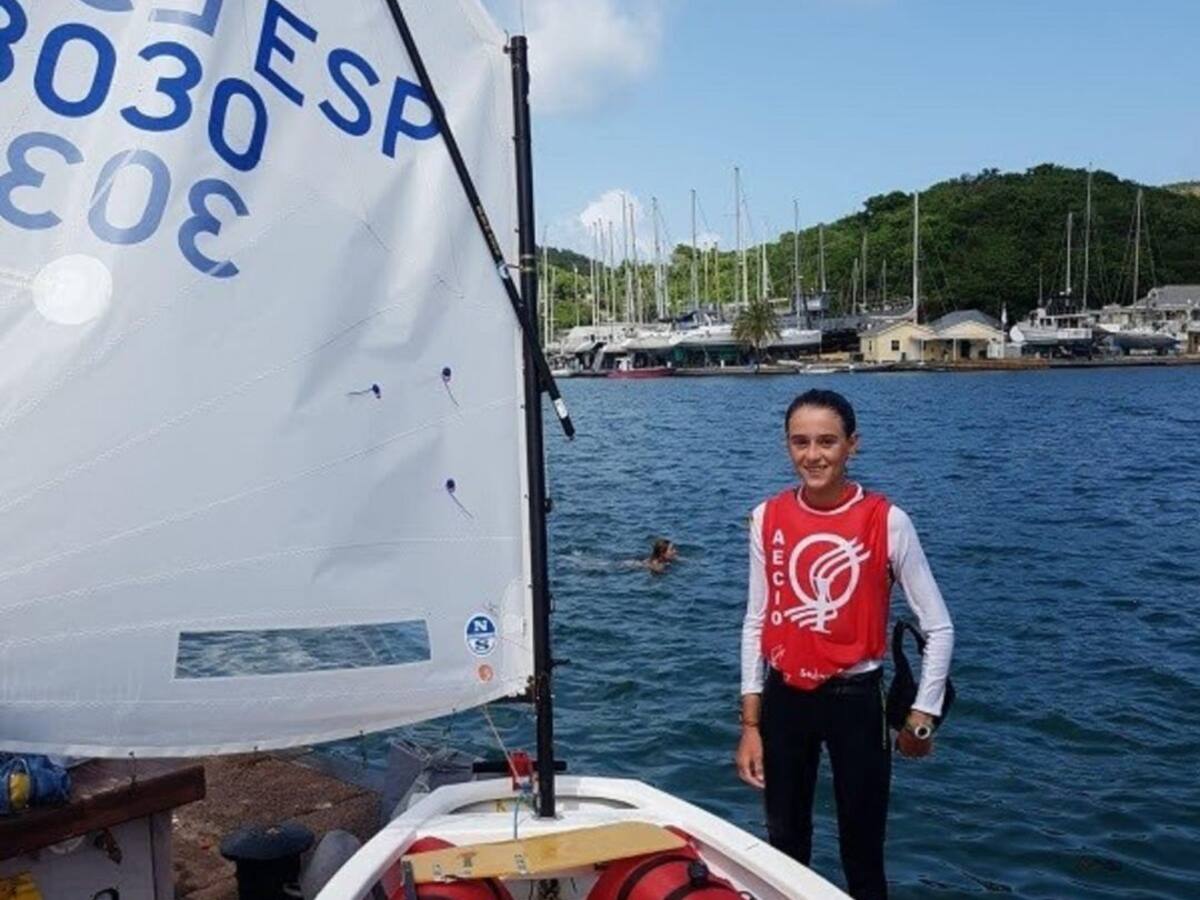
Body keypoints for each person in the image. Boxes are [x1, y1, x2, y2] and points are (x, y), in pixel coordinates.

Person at [735, 389, 954, 900]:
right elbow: (756, 619)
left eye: (827, 441)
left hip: (858, 701)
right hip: (785, 699)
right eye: (801, 441)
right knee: (784, 845)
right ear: (787, 446)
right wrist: (750, 724)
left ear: (852, 445)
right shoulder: (766, 518)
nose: (813, 454)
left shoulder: (888, 521)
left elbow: (939, 627)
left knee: (863, 853)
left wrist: (922, 716)